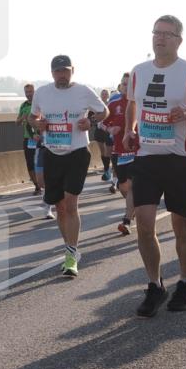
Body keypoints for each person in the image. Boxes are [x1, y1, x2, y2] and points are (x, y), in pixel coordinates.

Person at [123, 15, 186, 316]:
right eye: (156, 32)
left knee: (181, 225)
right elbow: (132, 104)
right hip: (146, 159)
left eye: (167, 34)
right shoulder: (139, 72)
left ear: (179, 39)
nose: (160, 38)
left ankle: (185, 281)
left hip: (180, 159)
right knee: (144, 224)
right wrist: (130, 129)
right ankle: (155, 286)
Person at [30, 55, 108, 278]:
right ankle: (69, 247)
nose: (61, 75)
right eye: (57, 71)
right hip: (53, 153)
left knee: (71, 204)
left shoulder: (84, 91)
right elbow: (32, 117)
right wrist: (38, 123)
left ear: (73, 70)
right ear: (51, 72)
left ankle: (71, 256)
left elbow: (104, 112)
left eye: (65, 71)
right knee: (59, 207)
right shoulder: (42, 93)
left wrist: (90, 121)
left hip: (76, 153)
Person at [103, 73, 137, 234]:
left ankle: (127, 220)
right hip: (119, 151)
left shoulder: (139, 101)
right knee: (123, 186)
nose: (125, 87)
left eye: (128, 84)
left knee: (131, 186)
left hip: (137, 150)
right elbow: (101, 123)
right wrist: (110, 129)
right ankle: (133, 208)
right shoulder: (114, 102)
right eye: (123, 84)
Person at [16, 84, 42, 195]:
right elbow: (17, 123)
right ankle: (37, 186)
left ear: (34, 92)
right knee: (30, 164)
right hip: (28, 138)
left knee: (40, 163)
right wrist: (22, 118)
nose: (28, 94)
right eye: (26, 92)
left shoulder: (40, 104)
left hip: (40, 138)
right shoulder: (24, 105)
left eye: (30, 92)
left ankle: (43, 182)